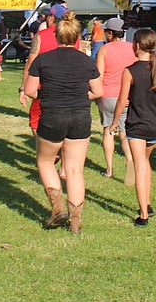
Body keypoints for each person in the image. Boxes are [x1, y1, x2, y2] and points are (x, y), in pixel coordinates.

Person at [24, 13, 103, 233]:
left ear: (56, 35)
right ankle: (76, 222)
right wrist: (79, 96)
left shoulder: (43, 59)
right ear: (77, 37)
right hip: (80, 116)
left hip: (52, 114)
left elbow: (30, 91)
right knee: (75, 170)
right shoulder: (86, 60)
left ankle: (57, 209)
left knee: (46, 162)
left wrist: (48, 94)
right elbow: (98, 91)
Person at [112, 29, 156, 227]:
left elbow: (121, 100)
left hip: (137, 124)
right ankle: (148, 203)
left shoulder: (130, 71)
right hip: (155, 123)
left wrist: (114, 121)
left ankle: (143, 214)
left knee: (139, 166)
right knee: (146, 162)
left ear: (136, 46)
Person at [94, 16, 136, 180]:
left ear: (110, 33)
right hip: (126, 95)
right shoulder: (132, 48)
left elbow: (99, 74)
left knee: (108, 130)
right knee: (125, 132)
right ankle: (130, 161)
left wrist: (96, 95)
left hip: (107, 94)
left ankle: (109, 169)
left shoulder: (104, 50)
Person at [19, 4, 64, 136]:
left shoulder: (41, 36)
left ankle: (46, 150)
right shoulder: (74, 37)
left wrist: (23, 88)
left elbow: (30, 64)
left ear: (51, 18)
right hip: (67, 88)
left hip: (43, 88)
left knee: (36, 122)